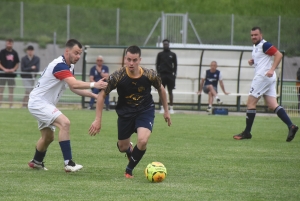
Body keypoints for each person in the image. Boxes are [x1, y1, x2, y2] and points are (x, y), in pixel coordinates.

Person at [88, 45, 172, 178]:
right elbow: (101, 96)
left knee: (143, 140)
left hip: (145, 110)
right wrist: (97, 120)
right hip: (125, 113)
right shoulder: (117, 76)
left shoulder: (149, 74)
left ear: (140, 59)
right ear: (125, 59)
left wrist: (166, 111)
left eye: (134, 60)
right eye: (129, 59)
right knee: (122, 147)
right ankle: (128, 149)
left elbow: (161, 89)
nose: (131, 63)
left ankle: (129, 170)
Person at [27, 39, 107, 172]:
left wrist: (93, 95)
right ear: (67, 51)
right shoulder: (59, 65)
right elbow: (74, 84)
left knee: (48, 137)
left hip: (43, 103)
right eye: (76, 53)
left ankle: (36, 161)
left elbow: (73, 87)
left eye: (80, 54)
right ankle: (68, 163)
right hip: (39, 102)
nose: (78, 56)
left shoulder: (69, 66)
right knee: (65, 123)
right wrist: (94, 84)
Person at [233, 27, 298, 141]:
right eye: (252, 35)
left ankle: (247, 132)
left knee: (250, 104)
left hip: (262, 77)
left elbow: (279, 55)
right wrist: (252, 61)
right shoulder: (256, 47)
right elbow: (262, 58)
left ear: (261, 35)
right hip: (268, 78)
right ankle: (291, 126)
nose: (253, 37)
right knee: (273, 105)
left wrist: (272, 69)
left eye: (256, 35)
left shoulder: (265, 45)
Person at [156, 39, 177, 114]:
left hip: (170, 75)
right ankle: (162, 107)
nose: (166, 45)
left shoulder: (173, 54)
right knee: (161, 91)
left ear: (169, 44)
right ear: (163, 45)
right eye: (164, 44)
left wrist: (174, 74)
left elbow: (175, 65)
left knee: (170, 91)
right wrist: (158, 74)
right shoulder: (160, 54)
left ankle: (171, 107)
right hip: (162, 74)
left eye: (167, 44)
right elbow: (157, 64)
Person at [0, 38, 20, 108]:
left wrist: (13, 69)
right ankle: (0, 104)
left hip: (11, 75)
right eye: (8, 43)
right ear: (6, 43)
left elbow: (17, 64)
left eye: (10, 43)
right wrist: (4, 69)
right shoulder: (2, 52)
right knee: (1, 90)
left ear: (12, 44)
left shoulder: (15, 53)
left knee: (11, 90)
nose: (9, 44)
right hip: (2, 74)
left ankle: (11, 105)